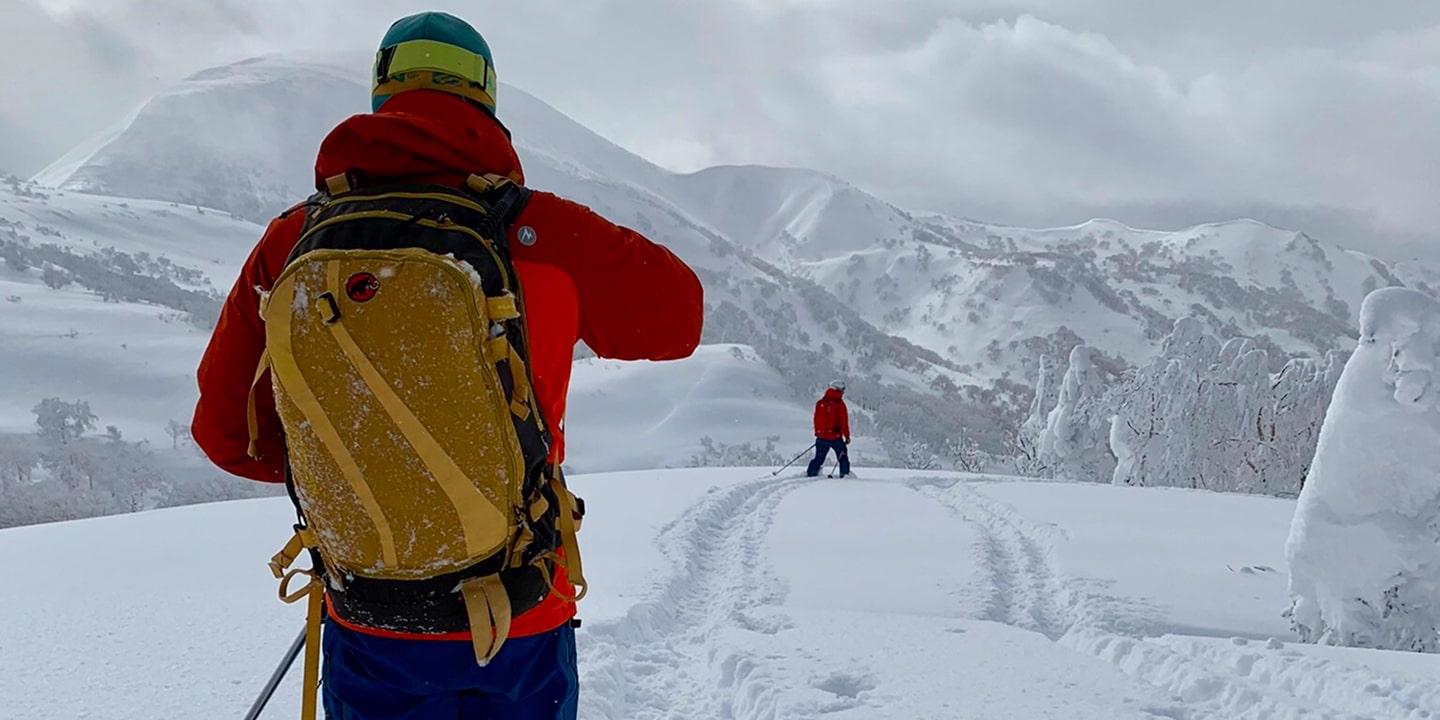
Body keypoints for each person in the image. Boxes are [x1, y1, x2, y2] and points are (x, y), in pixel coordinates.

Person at [190, 11, 703, 719]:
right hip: (520, 608)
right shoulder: (542, 232)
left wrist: (364, 464)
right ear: (486, 100)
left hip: (370, 611)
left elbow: (225, 433)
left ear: (380, 96)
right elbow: (681, 320)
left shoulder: (291, 244)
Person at [806, 380, 851, 478]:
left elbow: (816, 419)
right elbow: (844, 423)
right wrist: (847, 436)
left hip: (821, 437)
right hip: (835, 437)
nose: (843, 392)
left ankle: (811, 473)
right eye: (842, 390)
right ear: (838, 389)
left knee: (819, 458)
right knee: (842, 457)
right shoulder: (840, 405)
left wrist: (818, 433)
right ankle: (845, 476)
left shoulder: (820, 403)